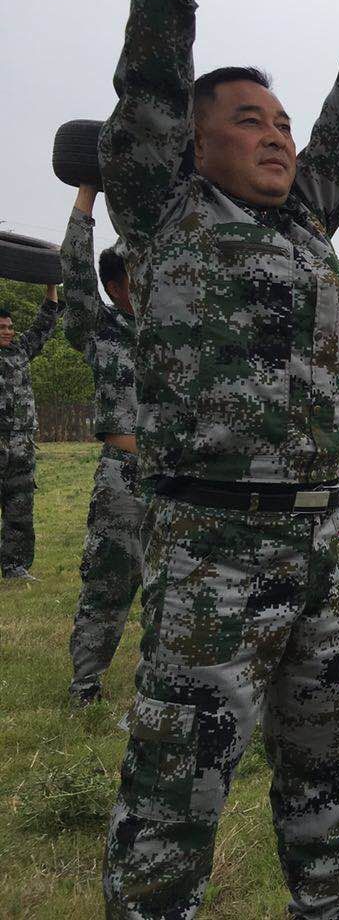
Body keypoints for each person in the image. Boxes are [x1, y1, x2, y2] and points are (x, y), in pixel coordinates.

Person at [97, 0, 339, 917]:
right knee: (177, 790)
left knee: (327, 765)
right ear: (191, 147)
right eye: (247, 120)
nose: (276, 137)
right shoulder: (166, 210)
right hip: (212, 549)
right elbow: (146, 83)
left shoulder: (308, 218)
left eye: (278, 124)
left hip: (318, 544)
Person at [61, 185, 144, 704]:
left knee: (182, 588)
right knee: (109, 582)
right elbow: (74, 273)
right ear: (115, 286)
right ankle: (85, 683)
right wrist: (88, 193)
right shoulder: (99, 328)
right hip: (124, 475)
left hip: (180, 477)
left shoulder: (179, 330)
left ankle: (168, 685)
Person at [0, 288, 60, 581]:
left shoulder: (21, 350)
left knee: (19, 508)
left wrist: (51, 288)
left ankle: (15, 567)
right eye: (2, 328)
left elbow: (44, 324)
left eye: (10, 327)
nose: (8, 331)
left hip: (21, 446)